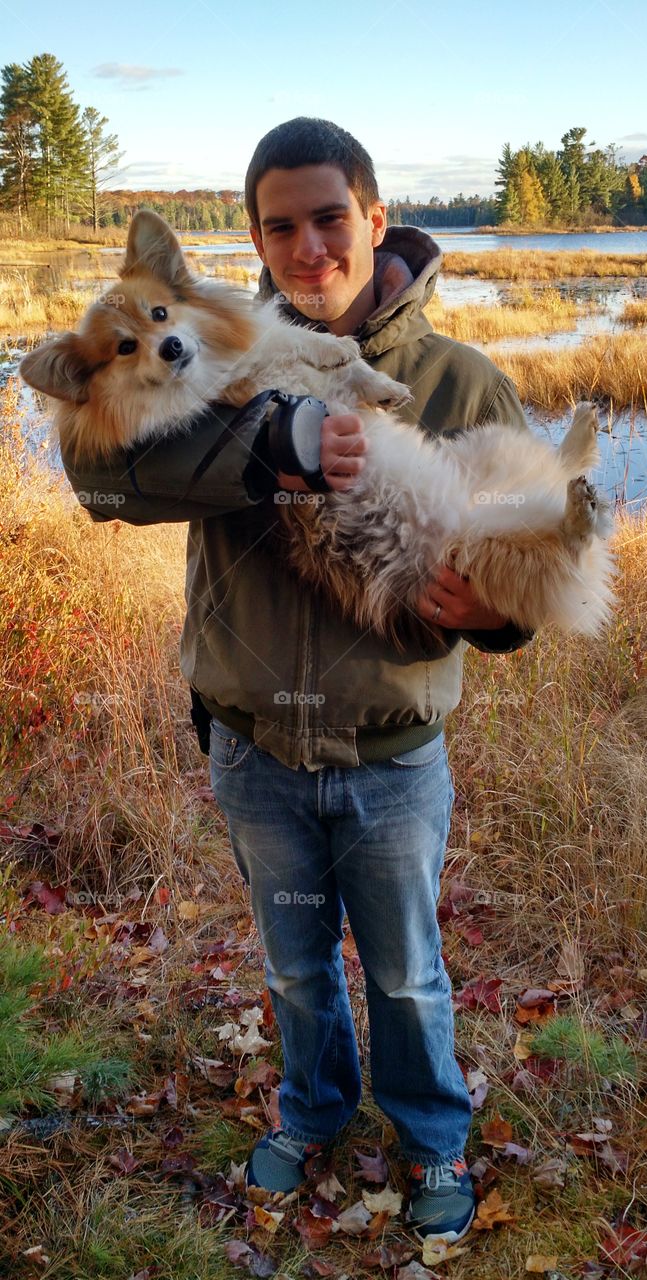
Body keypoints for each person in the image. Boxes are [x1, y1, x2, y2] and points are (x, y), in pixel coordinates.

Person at [60, 117, 534, 1243]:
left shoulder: (457, 379)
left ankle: (429, 1137)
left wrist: (504, 616)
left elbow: (536, 541)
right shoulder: (209, 354)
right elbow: (91, 469)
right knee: (297, 959)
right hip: (255, 753)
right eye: (281, 227)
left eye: (330, 218)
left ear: (375, 218)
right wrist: (279, 440)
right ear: (255, 239)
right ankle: (312, 1110)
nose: (309, 248)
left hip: (391, 757)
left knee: (409, 974)